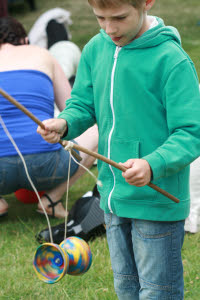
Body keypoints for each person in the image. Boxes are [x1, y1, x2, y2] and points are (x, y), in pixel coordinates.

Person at [37, 0, 200, 299]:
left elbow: (191, 132)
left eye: (120, 17)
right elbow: (83, 103)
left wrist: (153, 164)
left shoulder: (171, 60)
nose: (109, 28)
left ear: (147, 3)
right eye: (100, 17)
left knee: (157, 291)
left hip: (156, 201)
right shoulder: (96, 49)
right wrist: (64, 123)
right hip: (112, 197)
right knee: (126, 287)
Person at [0, 16, 98, 219]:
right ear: (25, 40)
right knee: (95, 131)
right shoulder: (42, 54)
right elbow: (72, 111)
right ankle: (51, 200)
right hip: (47, 165)